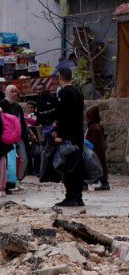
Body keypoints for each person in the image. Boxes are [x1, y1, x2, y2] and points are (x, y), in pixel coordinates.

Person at [53, 67, 86, 206]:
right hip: (78, 135)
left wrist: (60, 134)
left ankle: (70, 196)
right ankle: (78, 197)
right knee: (77, 166)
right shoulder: (78, 92)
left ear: (60, 78)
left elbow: (64, 116)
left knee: (68, 166)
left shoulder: (64, 92)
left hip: (69, 137)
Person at [85, 105, 109, 191]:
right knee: (100, 167)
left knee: (89, 167)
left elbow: (91, 142)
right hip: (99, 151)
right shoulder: (98, 126)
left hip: (95, 152)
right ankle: (104, 183)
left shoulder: (94, 127)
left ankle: (84, 184)